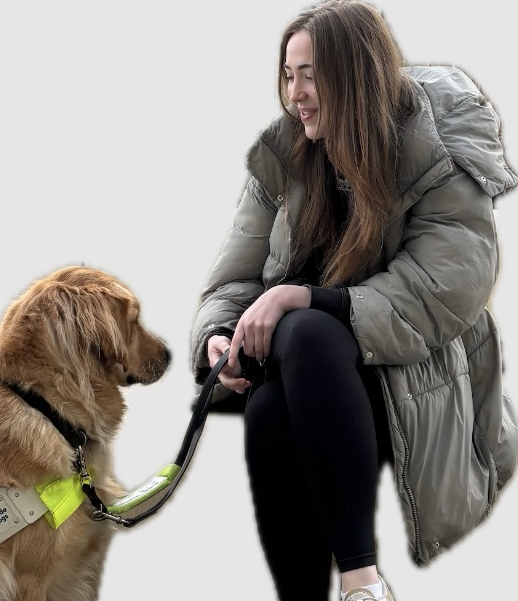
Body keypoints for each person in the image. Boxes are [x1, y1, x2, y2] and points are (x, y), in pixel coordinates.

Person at [189, 1, 518, 600]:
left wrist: (302, 299)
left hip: (419, 377)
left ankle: (362, 584)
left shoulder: (434, 146)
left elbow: (448, 287)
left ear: (356, 72)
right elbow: (231, 281)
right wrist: (219, 338)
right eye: (289, 75)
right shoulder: (284, 156)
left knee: (303, 329)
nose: (297, 93)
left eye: (311, 73)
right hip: (310, 386)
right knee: (267, 408)